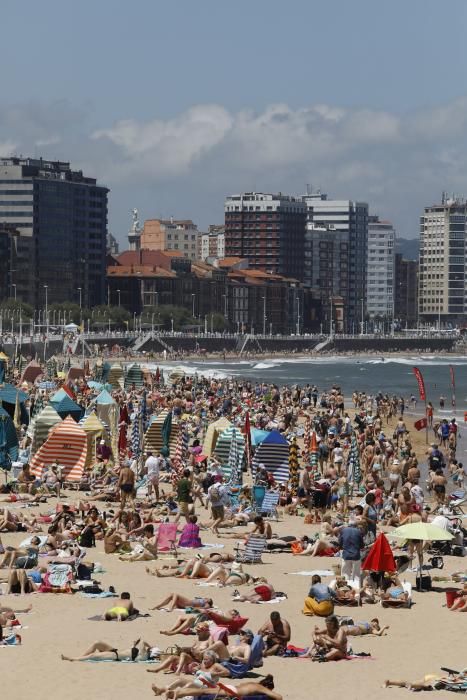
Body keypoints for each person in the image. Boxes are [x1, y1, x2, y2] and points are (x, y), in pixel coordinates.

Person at [161, 675, 282, 700]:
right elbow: (279, 697)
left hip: (231, 687)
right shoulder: (260, 688)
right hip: (232, 692)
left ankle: (177, 693)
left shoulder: (251, 683)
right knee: (203, 691)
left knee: (203, 691)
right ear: (266, 686)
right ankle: (178, 693)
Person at [61, 638, 155, 662]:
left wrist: (151, 646)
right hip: (114, 650)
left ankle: (73, 659)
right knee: (97, 643)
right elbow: (139, 645)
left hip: (115, 655)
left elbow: (143, 642)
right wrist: (134, 644)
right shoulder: (141, 653)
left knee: (93, 656)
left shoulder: (143, 656)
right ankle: (81, 656)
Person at [339, 516, 364, 582]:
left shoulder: (343, 530)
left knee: (345, 574)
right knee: (356, 575)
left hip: (346, 555)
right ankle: (356, 590)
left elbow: (340, 543)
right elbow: (362, 546)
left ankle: (345, 589)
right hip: (356, 555)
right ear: (356, 524)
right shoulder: (358, 532)